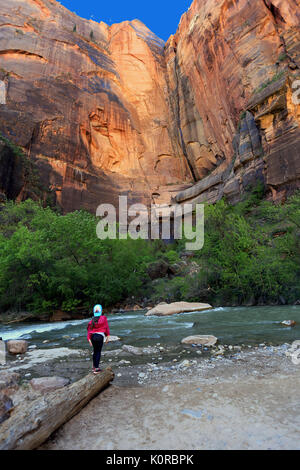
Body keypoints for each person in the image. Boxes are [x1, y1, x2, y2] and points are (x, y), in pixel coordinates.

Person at [87, 304, 110, 374]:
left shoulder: (91, 321)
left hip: (93, 337)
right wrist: (107, 336)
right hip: (100, 337)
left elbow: (89, 330)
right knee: (98, 352)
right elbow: (106, 328)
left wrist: (89, 339)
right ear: (101, 311)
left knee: (95, 351)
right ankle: (97, 368)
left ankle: (94, 367)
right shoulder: (103, 318)